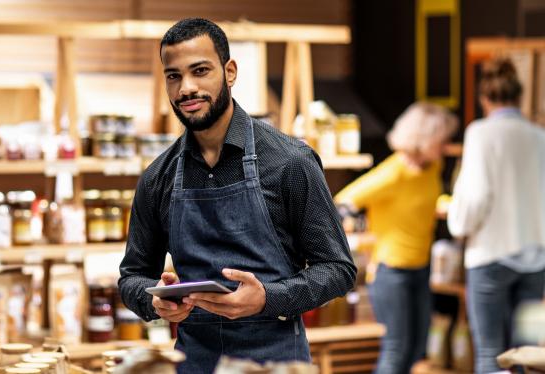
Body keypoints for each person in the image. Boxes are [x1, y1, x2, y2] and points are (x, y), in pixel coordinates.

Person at [118, 18, 356, 373]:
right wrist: (155, 302)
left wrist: (268, 297)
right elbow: (132, 275)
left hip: (277, 363)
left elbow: (338, 269)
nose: (187, 88)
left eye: (200, 71)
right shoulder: (158, 178)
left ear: (229, 72)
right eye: (174, 76)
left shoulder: (290, 162)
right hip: (194, 362)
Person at [335, 102, 457, 374]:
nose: (446, 146)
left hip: (420, 269)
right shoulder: (393, 173)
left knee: (417, 350)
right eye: (443, 139)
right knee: (396, 349)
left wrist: (449, 203)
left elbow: (426, 200)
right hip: (391, 273)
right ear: (425, 139)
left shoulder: (433, 167)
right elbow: (343, 201)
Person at [447, 57, 545, 374]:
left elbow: (476, 195)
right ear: (519, 96)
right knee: (526, 354)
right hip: (534, 259)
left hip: (490, 257)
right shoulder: (539, 136)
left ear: (484, 99)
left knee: (490, 353)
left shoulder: (481, 133)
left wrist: (458, 225)